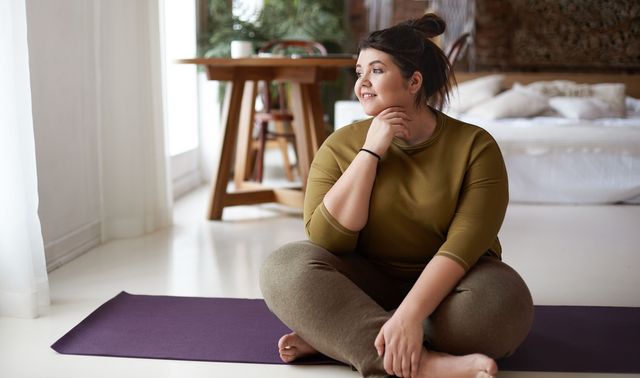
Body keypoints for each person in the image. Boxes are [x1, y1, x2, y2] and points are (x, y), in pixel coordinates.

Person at [260, 13, 534, 378]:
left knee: (501, 307)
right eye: (359, 72)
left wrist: (409, 315)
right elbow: (327, 239)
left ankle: (348, 336)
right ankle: (421, 362)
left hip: (453, 287)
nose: (362, 84)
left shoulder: (475, 147)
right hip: (368, 279)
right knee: (284, 268)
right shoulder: (340, 145)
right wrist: (370, 152)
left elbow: (463, 247)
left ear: (414, 81)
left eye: (376, 71)